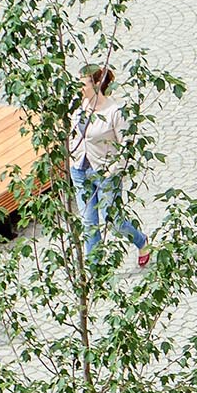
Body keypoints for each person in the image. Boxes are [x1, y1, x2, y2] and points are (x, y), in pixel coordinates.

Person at [69, 64, 151, 267]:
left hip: (105, 172)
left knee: (113, 221)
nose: (80, 88)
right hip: (79, 168)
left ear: (97, 84)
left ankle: (141, 241)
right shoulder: (78, 105)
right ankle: (95, 271)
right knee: (89, 224)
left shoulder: (114, 111)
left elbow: (126, 144)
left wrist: (113, 170)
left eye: (84, 84)